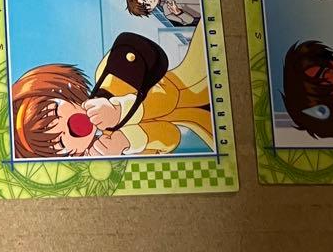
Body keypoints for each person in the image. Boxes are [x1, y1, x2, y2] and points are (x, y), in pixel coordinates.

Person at [11, 24, 212, 158]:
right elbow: (171, 137)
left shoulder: (109, 78)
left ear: (61, 91)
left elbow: (168, 95)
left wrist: (119, 110)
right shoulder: (113, 149)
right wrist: (127, 141)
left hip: (203, 72)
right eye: (60, 144)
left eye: (54, 111)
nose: (67, 130)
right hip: (208, 127)